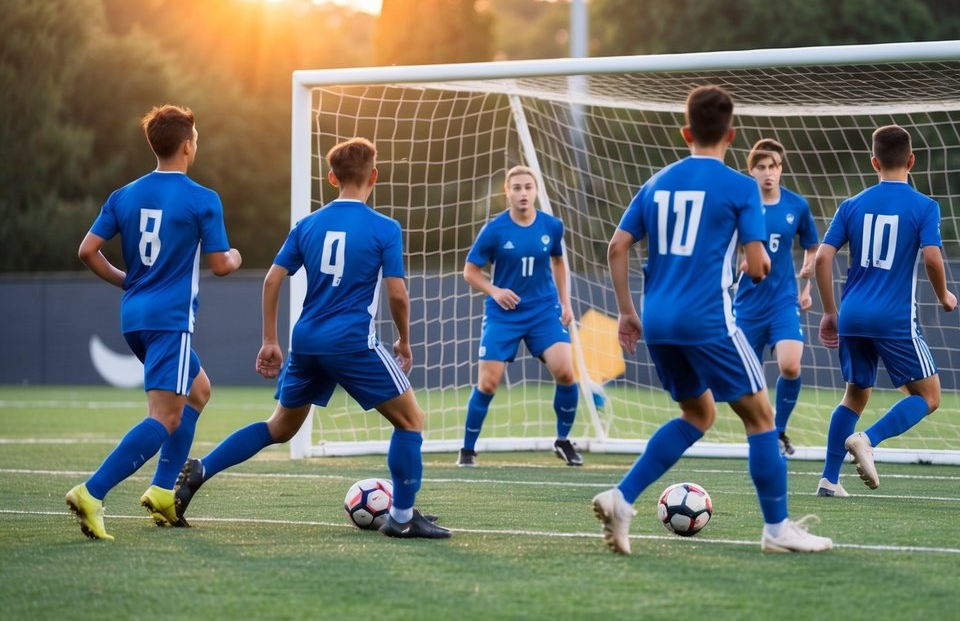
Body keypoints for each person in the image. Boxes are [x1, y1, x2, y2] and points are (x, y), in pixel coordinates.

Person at [593, 85, 832, 555]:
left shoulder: (656, 182)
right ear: (731, 134)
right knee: (762, 417)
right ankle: (777, 528)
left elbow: (616, 247)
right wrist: (753, 262)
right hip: (708, 321)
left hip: (658, 322)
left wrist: (626, 312)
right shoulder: (742, 187)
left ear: (686, 132)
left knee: (698, 413)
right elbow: (760, 265)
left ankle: (621, 498)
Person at [172, 137, 449, 539]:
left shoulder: (308, 225)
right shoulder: (384, 228)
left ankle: (202, 468)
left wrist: (270, 339)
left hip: (306, 340)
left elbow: (272, 278)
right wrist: (404, 340)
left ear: (332, 177)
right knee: (411, 421)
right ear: (375, 175)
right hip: (352, 341)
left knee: (280, 427)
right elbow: (397, 294)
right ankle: (403, 517)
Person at [64, 105, 242, 540]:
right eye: (196, 138)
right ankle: (92, 492)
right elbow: (221, 264)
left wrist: (127, 281)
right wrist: (236, 256)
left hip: (134, 316)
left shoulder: (124, 194)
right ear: (187, 145)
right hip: (170, 320)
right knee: (164, 417)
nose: (196, 144)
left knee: (198, 391)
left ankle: (163, 491)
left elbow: (87, 251)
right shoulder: (203, 198)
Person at [812, 125, 957, 497]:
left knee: (855, 395)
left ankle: (829, 480)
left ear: (874, 161)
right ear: (911, 160)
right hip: (893, 318)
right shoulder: (924, 206)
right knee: (928, 397)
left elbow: (823, 259)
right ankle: (867, 440)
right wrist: (943, 295)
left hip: (853, 315)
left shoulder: (852, 205)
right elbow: (932, 258)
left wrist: (830, 312)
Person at [460, 165, 581, 467]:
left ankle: (563, 441)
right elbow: (470, 271)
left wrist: (565, 303)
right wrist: (495, 290)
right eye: (516, 187)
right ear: (507, 192)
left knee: (566, 372)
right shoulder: (494, 230)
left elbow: (558, 262)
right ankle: (467, 450)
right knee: (488, 383)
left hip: (543, 310)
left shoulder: (552, 226)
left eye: (528, 187)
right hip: (504, 314)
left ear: (536, 190)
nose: (523, 192)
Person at [733, 138, 819, 456]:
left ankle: (778, 430)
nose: (768, 173)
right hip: (747, 304)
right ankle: (764, 429)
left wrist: (807, 283)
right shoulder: (741, 205)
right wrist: (735, 268)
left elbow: (812, 246)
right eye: (761, 167)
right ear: (751, 171)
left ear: (781, 169)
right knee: (745, 381)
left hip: (783, 300)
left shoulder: (796, 205)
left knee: (791, 365)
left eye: (773, 167)